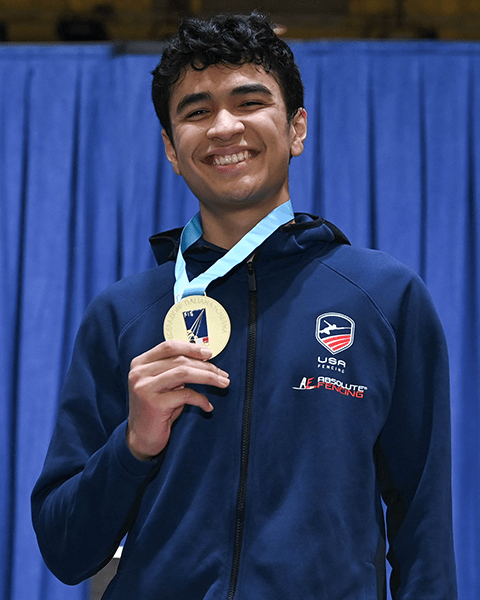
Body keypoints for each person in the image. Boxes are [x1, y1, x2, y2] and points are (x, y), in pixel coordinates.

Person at [32, 12, 457, 600]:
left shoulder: (384, 298)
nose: (223, 127)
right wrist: (132, 446)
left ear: (297, 129)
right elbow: (64, 549)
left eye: (249, 102)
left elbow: (424, 528)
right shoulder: (123, 313)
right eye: (196, 111)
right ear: (171, 149)